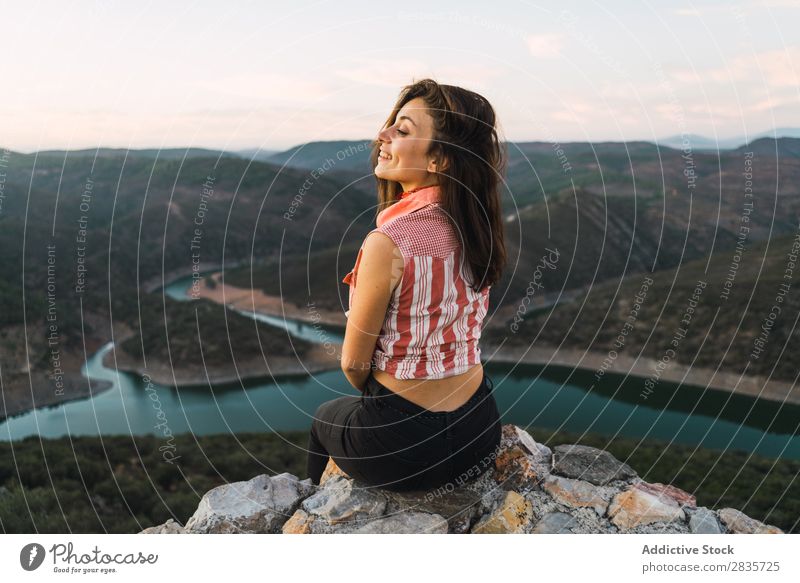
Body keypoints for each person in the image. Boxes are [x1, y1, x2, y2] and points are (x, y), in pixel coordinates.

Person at [306, 78, 507, 492]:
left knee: (324, 418)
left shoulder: (389, 242)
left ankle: (308, 508)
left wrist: (389, 402)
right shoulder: (478, 228)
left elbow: (353, 364)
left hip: (400, 450)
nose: (382, 135)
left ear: (440, 160)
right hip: (480, 432)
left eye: (402, 130)